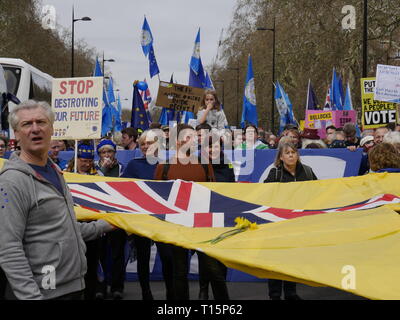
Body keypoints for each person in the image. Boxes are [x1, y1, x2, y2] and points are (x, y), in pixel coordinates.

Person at [0, 100, 115, 300]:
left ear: (52, 128)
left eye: (41, 122)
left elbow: (64, 228)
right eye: (27, 124)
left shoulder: (55, 171)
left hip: (73, 286)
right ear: (16, 134)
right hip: (44, 292)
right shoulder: (12, 181)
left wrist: (108, 224)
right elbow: (8, 248)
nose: (35, 129)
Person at [154, 124, 216, 300]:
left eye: (194, 137)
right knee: (179, 271)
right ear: (176, 141)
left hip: (202, 225)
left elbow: (213, 196)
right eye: (188, 137)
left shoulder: (205, 165)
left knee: (211, 269)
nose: (193, 140)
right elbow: (158, 199)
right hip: (176, 226)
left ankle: (204, 294)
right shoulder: (163, 167)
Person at [121, 129, 174, 300]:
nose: (145, 146)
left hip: (163, 219)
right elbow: (124, 189)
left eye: (149, 143)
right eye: (142, 143)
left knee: (167, 257)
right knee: (143, 257)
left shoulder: (168, 164)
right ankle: (146, 293)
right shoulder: (134, 165)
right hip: (141, 218)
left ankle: (171, 294)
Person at [263, 141, 317, 300]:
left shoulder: (307, 171)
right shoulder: (274, 174)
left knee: (291, 259)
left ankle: (290, 293)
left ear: (297, 155)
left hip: (298, 224)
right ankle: (274, 295)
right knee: (275, 260)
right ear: (281, 157)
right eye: (287, 153)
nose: (291, 155)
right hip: (278, 224)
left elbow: (318, 192)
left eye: (293, 152)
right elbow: (264, 195)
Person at [94, 139, 127, 300]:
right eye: (103, 152)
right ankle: (99, 286)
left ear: (115, 152)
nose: (107, 155)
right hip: (98, 217)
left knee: (117, 254)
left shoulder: (121, 168)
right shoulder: (94, 167)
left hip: (116, 217)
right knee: (98, 254)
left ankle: (117, 287)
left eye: (110, 152)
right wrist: (102, 170)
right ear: (99, 154)